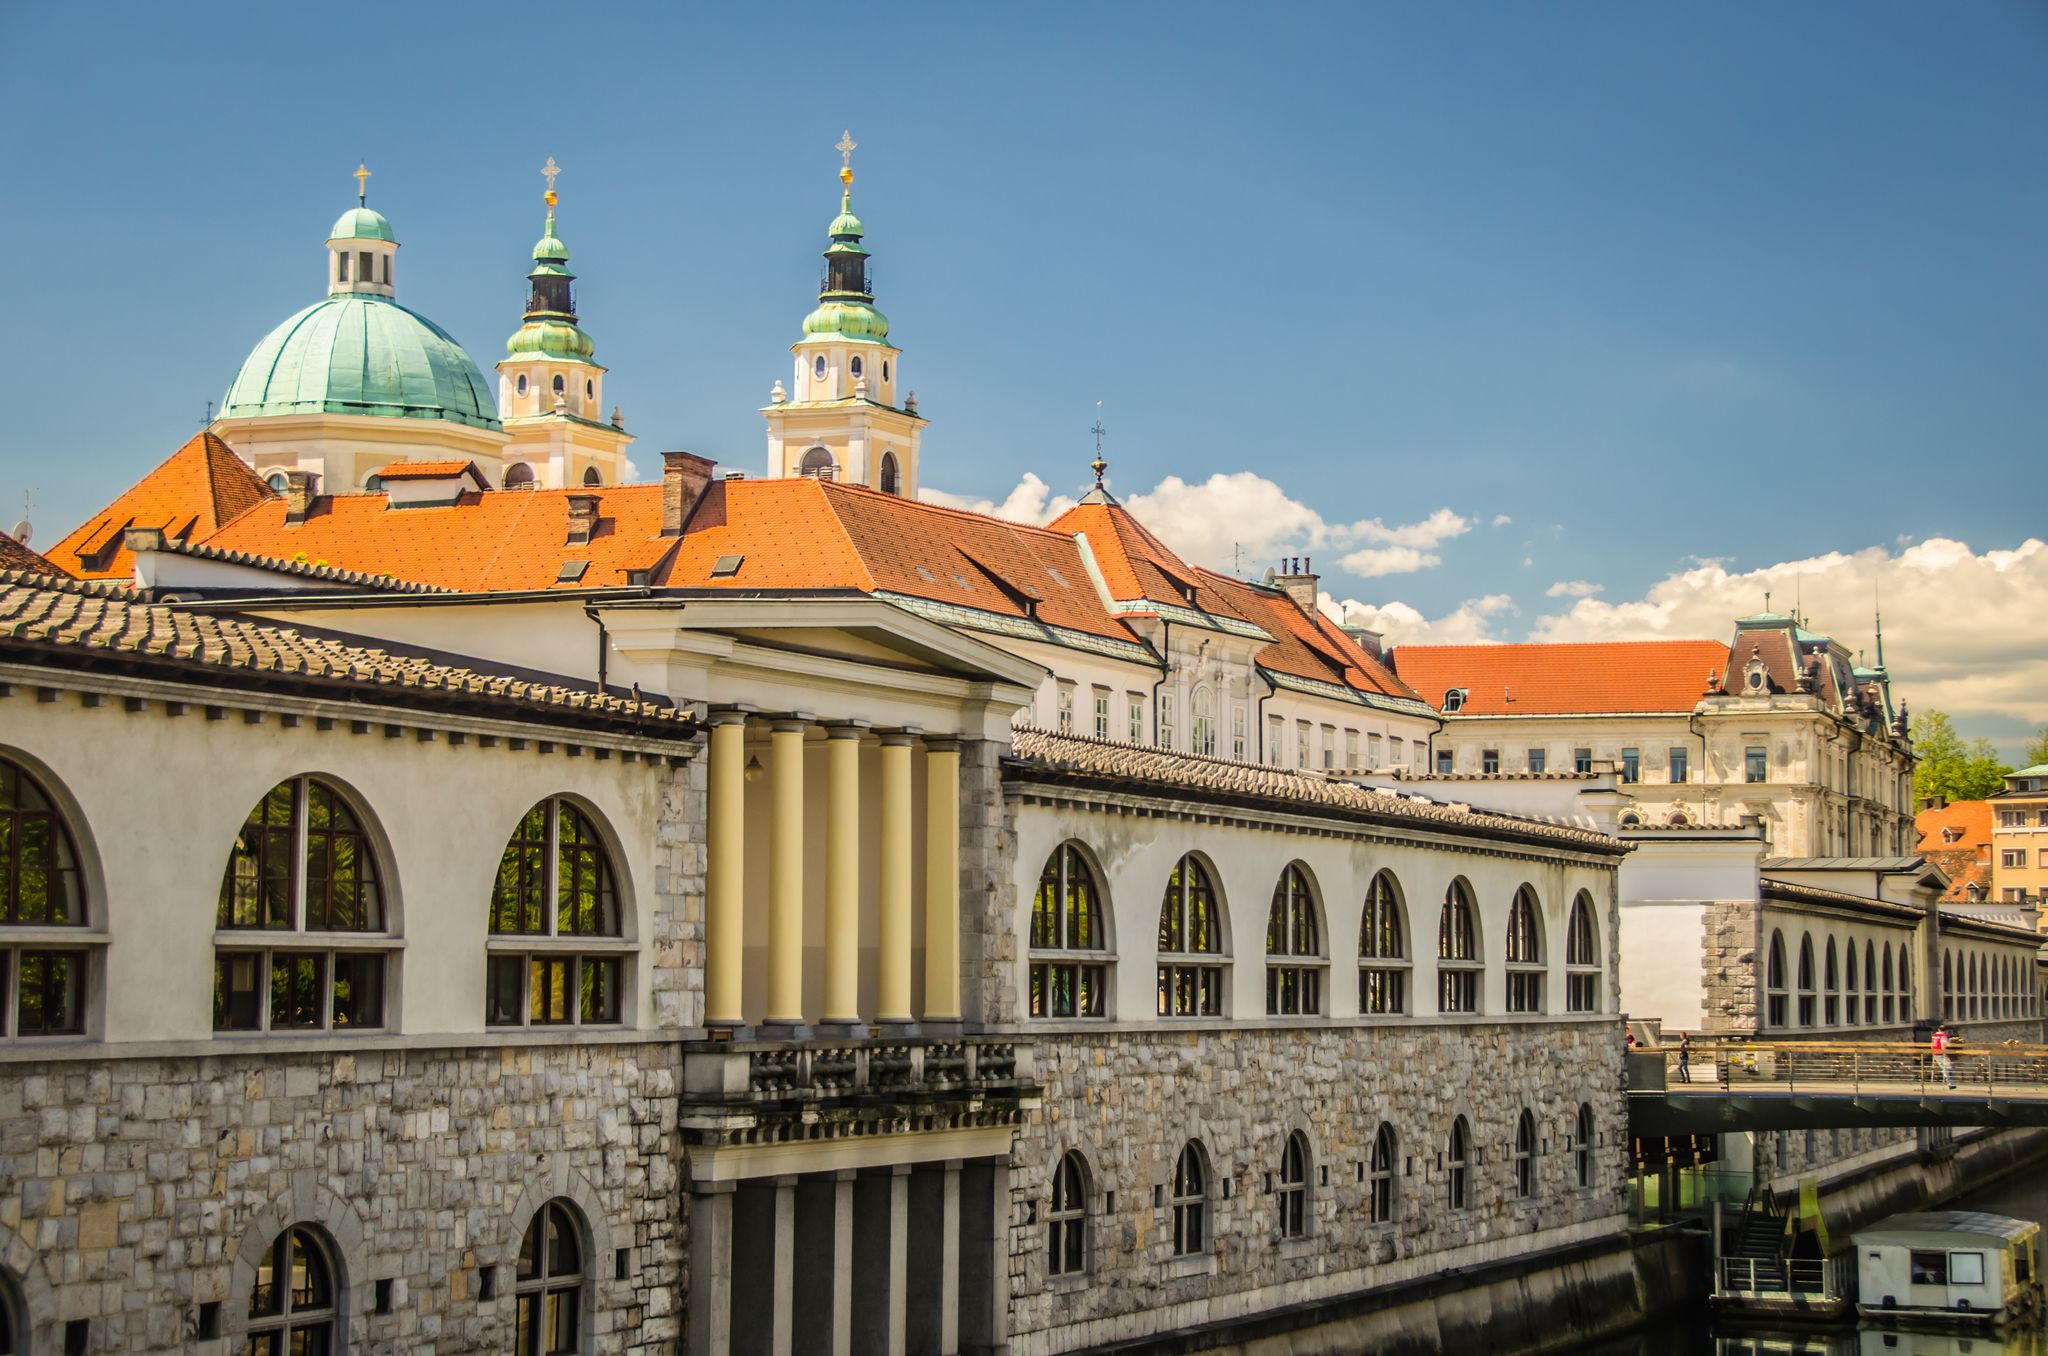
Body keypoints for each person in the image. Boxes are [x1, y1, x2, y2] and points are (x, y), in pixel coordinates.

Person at [1932, 1023, 1955, 1090]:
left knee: (1944, 1068)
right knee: (1949, 1067)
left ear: (1938, 1029)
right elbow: (1943, 1045)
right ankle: (1950, 1083)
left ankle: (1950, 1083)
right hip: (1941, 1053)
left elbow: (1932, 1044)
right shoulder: (1943, 1036)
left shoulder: (1934, 1035)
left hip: (1935, 1053)